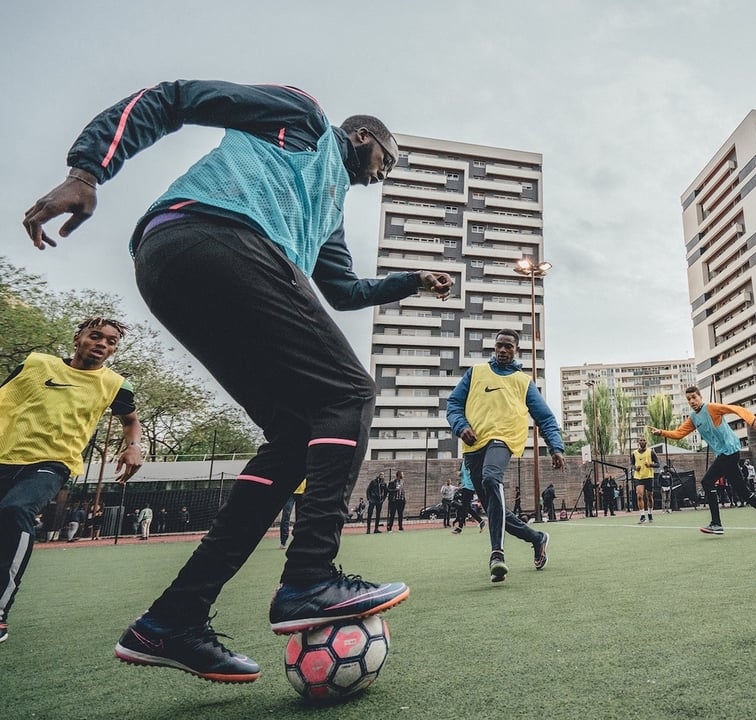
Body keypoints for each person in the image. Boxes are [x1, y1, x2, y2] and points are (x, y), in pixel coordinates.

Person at [23, 81, 456, 682]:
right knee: (349, 393)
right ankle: (309, 576)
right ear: (363, 137)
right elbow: (172, 99)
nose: (385, 173)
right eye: (389, 159)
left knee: (293, 435)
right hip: (215, 233)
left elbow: (343, 291)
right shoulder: (303, 116)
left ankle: (174, 617)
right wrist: (89, 171)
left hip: (178, 266)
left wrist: (412, 280)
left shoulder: (326, 213)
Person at [0, 317, 144, 646]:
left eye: (111, 342)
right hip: (5, 455)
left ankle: (0, 610)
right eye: (96, 336)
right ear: (78, 337)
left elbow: (131, 421)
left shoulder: (115, 384)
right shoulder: (36, 363)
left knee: (15, 510)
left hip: (53, 462)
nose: (103, 345)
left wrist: (133, 447)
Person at [446, 329, 564, 583]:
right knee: (493, 508)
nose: (502, 350)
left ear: (515, 350)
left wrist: (556, 447)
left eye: (508, 347)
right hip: (474, 445)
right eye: (499, 345)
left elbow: (544, 417)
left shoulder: (523, 381)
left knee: (491, 479)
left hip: (504, 440)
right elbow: (453, 405)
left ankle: (497, 555)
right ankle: (536, 538)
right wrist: (460, 426)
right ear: (494, 348)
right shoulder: (475, 373)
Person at [648, 387, 756, 536]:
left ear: (700, 397)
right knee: (743, 492)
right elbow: (679, 434)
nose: (691, 401)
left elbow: (736, 409)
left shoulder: (712, 408)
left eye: (694, 397)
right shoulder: (693, 418)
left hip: (729, 451)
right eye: (688, 399)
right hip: (724, 455)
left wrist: (752, 420)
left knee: (707, 482)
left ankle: (716, 523)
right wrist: (661, 432)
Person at [451, 464, 487, 534]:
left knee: (464, 507)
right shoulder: (463, 463)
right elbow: (461, 473)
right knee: (467, 508)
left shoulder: (471, 461)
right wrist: (459, 473)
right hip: (464, 486)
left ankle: (460, 527)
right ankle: (481, 521)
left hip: (470, 487)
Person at [632, 437, 658, 524]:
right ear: (638, 442)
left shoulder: (651, 451)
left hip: (649, 476)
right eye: (641, 440)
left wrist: (650, 465)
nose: (642, 441)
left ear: (646, 441)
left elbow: (658, 464)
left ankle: (650, 513)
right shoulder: (634, 453)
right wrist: (635, 468)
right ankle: (642, 516)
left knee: (649, 497)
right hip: (639, 477)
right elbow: (631, 465)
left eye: (644, 440)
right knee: (639, 496)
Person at [279, 480, 306, 549]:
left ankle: (299, 540)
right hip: (290, 492)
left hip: (302, 492)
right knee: (286, 516)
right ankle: (283, 542)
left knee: (301, 518)